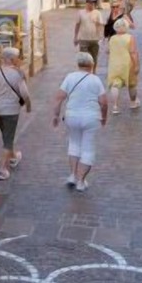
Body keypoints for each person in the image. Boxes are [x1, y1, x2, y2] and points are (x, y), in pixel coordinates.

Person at [52, 52, 108, 191]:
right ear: (91, 65)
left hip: (72, 116)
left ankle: (72, 175)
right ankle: (81, 181)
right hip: (91, 118)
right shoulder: (95, 80)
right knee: (88, 148)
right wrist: (104, 117)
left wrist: (56, 115)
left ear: (78, 64)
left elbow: (59, 98)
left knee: (74, 144)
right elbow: (103, 102)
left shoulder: (70, 77)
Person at [0, 47, 30, 180]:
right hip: (10, 110)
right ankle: (3, 169)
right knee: (8, 139)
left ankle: (13, 156)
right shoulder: (18, 74)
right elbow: (25, 93)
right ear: (13, 59)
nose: (20, 59)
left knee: (6, 134)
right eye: (18, 57)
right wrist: (28, 105)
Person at [105, 18, 141, 113]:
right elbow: (133, 52)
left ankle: (115, 106)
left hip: (114, 64)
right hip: (128, 64)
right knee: (132, 84)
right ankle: (133, 102)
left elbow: (107, 51)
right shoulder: (130, 38)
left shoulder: (112, 38)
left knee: (115, 84)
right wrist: (136, 64)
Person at [73, 0, 105, 68]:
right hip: (83, 39)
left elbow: (101, 25)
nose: (92, 5)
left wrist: (101, 37)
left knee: (94, 58)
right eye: (90, 3)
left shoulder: (97, 13)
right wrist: (75, 37)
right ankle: (84, 72)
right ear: (86, 4)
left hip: (95, 39)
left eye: (93, 3)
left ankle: (93, 72)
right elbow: (77, 25)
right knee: (83, 59)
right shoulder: (80, 13)